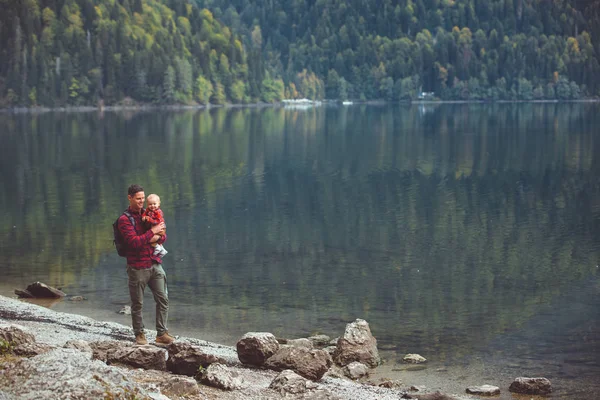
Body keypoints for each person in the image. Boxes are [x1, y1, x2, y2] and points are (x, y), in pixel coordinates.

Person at [118, 184, 175, 345]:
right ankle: (139, 334)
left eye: (143, 198)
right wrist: (152, 232)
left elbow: (163, 234)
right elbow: (133, 243)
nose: (142, 202)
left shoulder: (149, 213)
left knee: (163, 299)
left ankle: (161, 333)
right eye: (138, 199)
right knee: (137, 303)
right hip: (137, 267)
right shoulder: (124, 220)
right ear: (130, 198)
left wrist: (153, 236)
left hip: (154, 263)